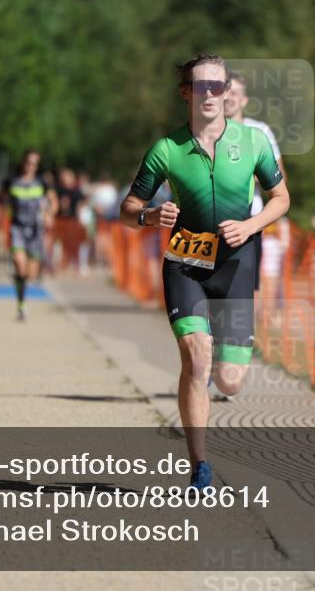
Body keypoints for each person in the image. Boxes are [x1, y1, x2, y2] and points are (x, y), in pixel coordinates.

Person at [119, 53, 290, 489]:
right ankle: (200, 466)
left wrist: (250, 225)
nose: (210, 93)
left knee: (229, 381)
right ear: (186, 93)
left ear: (227, 91)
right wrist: (149, 218)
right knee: (196, 359)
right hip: (186, 265)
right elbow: (129, 208)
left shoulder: (253, 142)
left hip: (235, 267)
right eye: (201, 86)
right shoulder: (167, 149)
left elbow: (281, 198)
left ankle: (219, 360)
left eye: (218, 86)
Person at [223, 72, 287, 292]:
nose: (230, 97)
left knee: (246, 288)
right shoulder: (207, 131)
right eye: (226, 92)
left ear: (244, 100)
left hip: (250, 222)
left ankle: (244, 326)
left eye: (235, 93)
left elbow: (280, 177)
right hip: (212, 220)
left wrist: (239, 175)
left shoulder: (260, 131)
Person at [0, 151, 58, 321]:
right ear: (23, 162)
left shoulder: (42, 182)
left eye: (35, 163)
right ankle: (21, 304)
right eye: (29, 162)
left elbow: (53, 201)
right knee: (20, 266)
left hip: (36, 231)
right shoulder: (12, 181)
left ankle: (24, 280)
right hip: (18, 228)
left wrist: (50, 214)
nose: (31, 166)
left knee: (30, 274)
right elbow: (0, 197)